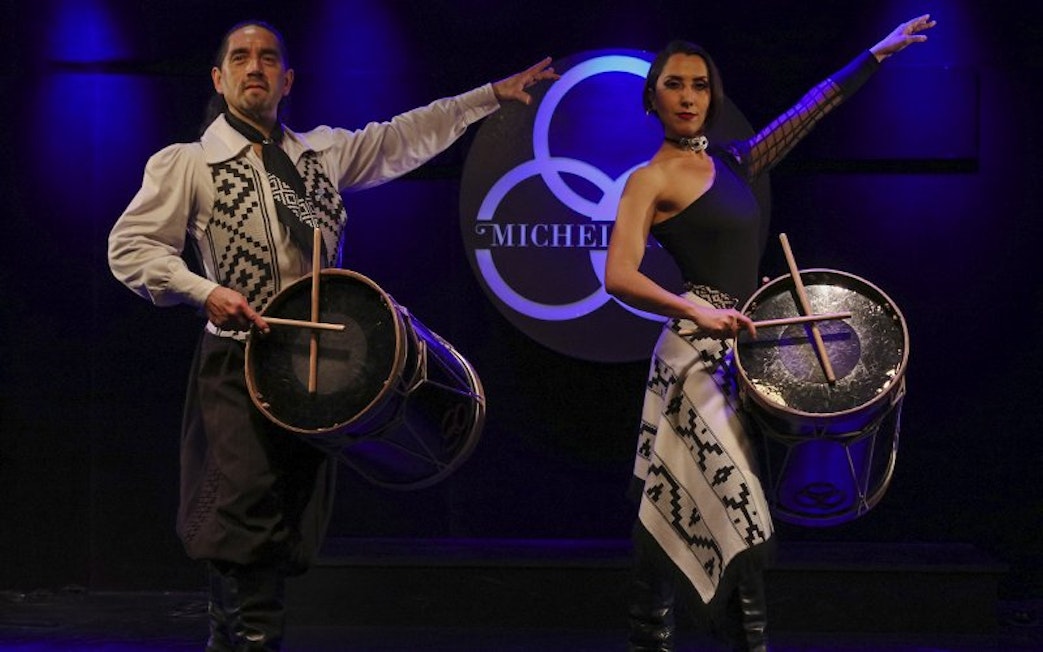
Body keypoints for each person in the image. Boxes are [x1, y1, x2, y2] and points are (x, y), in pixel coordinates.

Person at [107, 20, 557, 651]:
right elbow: (130, 247)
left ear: (287, 79)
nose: (254, 67)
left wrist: (486, 96)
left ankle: (228, 637)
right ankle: (251, 639)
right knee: (244, 513)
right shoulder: (189, 163)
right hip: (239, 361)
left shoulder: (320, 153)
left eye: (268, 58)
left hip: (315, 367)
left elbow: (403, 135)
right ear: (220, 77)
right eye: (240, 57)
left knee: (286, 517)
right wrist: (206, 291)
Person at [604, 14, 936, 652]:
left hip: (744, 356)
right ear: (654, 98)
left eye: (699, 85)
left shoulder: (736, 160)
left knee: (739, 520)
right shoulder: (650, 179)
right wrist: (694, 309)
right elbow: (618, 276)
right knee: (705, 511)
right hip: (693, 359)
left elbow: (811, 109)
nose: (689, 96)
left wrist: (875, 54)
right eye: (674, 85)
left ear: (712, 96)